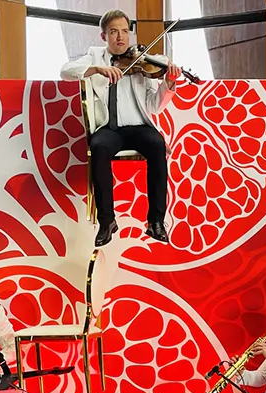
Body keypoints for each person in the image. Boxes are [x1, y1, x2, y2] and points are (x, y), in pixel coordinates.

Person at [60, 9, 182, 248]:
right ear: (104, 36)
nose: (120, 37)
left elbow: (154, 106)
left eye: (125, 31)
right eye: (114, 31)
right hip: (110, 128)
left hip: (139, 127)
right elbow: (65, 71)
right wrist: (97, 69)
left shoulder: (142, 61)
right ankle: (107, 221)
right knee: (99, 147)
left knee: (157, 145)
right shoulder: (95, 56)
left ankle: (156, 221)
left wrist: (168, 83)